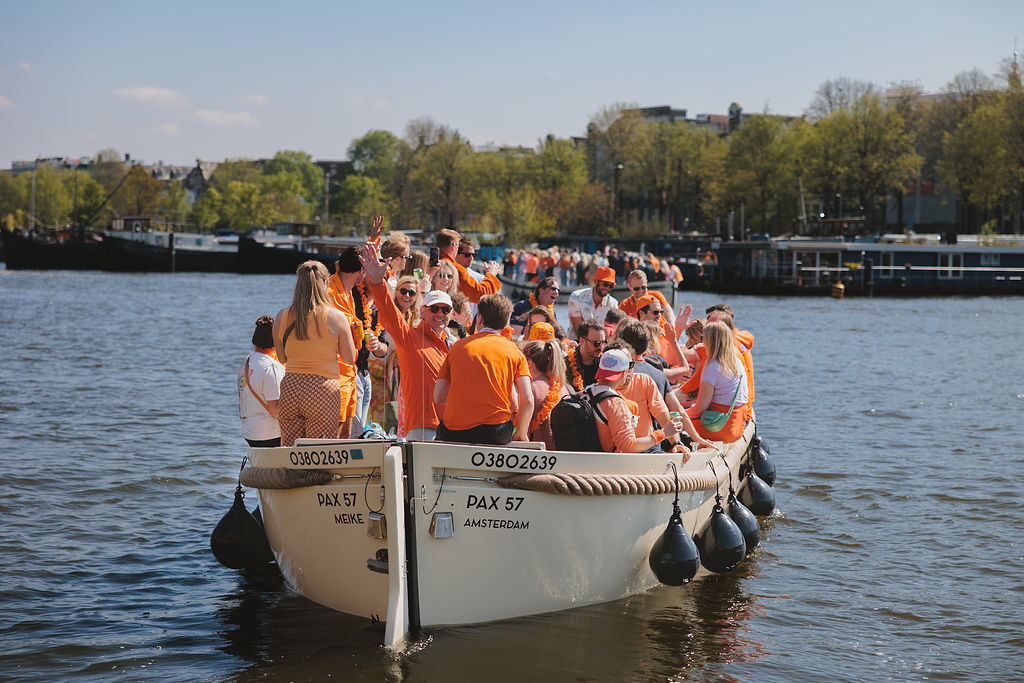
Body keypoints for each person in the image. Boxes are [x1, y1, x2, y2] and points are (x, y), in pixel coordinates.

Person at [360, 242, 455, 440]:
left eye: (445, 310)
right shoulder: (409, 337)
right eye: (434, 309)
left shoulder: (451, 345)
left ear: (451, 314)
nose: (440, 314)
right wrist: (378, 283)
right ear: (423, 311)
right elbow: (389, 312)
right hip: (423, 427)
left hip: (451, 426)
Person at [273, 261, 358, 446]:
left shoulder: (281, 316)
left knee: (290, 452)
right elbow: (349, 358)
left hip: (291, 386)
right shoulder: (336, 317)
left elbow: (282, 358)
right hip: (323, 388)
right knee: (319, 453)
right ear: (326, 283)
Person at [434, 294, 534, 445]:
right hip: (495, 431)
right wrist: (521, 432)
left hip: (455, 430)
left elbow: (439, 396)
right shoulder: (514, 352)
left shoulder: (457, 347)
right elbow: (528, 400)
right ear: (506, 321)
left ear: (479, 318)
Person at [603, 340, 712, 454]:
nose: (628, 371)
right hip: (615, 455)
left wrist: (676, 443)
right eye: (623, 366)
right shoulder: (601, 390)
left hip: (648, 449)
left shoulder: (644, 381)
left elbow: (663, 415)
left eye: (631, 365)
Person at [586, 349, 686, 453]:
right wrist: (663, 433)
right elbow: (628, 445)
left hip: (586, 461)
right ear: (624, 372)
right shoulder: (615, 402)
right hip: (612, 463)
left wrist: (675, 442)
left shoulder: (585, 392)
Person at [685, 320, 748, 443]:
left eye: (703, 338)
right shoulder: (736, 361)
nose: (702, 342)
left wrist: (678, 414)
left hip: (719, 427)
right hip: (737, 426)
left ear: (710, 341)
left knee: (675, 426)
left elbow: (700, 409)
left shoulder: (713, 366)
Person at [326, 247, 366, 438]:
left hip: (350, 372)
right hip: (335, 375)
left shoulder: (348, 293)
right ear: (362, 270)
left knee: (347, 435)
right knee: (335, 437)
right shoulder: (329, 293)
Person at [615, 318, 685, 415]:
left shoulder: (613, 369)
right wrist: (673, 341)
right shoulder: (658, 373)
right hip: (653, 428)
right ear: (647, 344)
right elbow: (678, 409)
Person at [238, 315, 285, 447]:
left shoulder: (246, 362)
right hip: (271, 435)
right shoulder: (271, 368)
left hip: (250, 433)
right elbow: (275, 410)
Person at [521, 339, 570, 449]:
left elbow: (522, 430)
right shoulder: (562, 387)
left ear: (528, 362)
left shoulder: (530, 388)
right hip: (560, 453)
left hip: (538, 456)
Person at [438, 230, 501, 303]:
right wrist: (491, 275)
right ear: (453, 246)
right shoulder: (456, 270)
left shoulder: (429, 263)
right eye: (458, 247)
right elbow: (480, 294)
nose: (471, 258)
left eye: (473, 255)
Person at [567, 266, 618, 340]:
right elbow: (578, 330)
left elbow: (612, 331)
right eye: (605, 284)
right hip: (576, 343)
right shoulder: (576, 297)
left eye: (611, 286)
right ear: (596, 282)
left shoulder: (613, 303)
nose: (607, 288)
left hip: (601, 345)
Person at [565, 318, 606, 391]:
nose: (601, 347)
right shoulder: (565, 365)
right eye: (596, 343)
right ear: (582, 341)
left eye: (603, 342)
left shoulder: (605, 363)